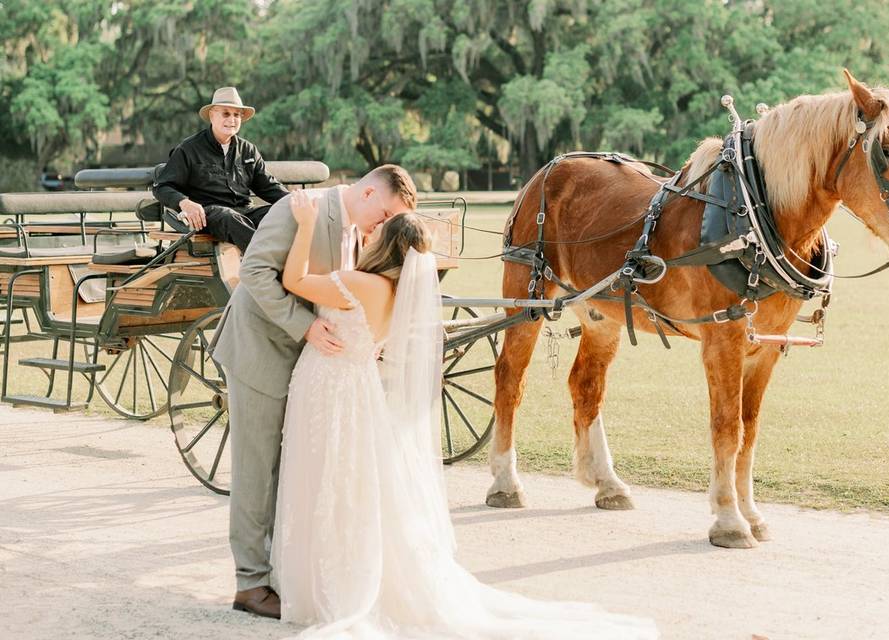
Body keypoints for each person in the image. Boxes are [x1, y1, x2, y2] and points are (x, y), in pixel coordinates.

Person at [269, 192, 659, 639]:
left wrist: (303, 223)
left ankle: (326, 579)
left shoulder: (359, 285)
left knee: (327, 481)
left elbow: (295, 279)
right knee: (351, 484)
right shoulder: (394, 292)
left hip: (332, 389)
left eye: (376, 231)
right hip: (357, 390)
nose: (369, 232)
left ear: (387, 245)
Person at [209, 164, 417, 620]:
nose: (382, 226)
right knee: (257, 469)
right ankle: (249, 583)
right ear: (366, 193)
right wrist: (306, 328)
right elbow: (257, 273)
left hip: (312, 371)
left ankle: (284, 572)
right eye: (382, 214)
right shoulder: (298, 210)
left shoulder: (361, 231)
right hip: (261, 351)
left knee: (292, 470)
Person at [152, 86, 289, 252]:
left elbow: (268, 186)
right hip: (208, 215)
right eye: (226, 113)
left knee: (283, 213)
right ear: (212, 116)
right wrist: (184, 203)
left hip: (245, 214)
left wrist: (296, 201)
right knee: (227, 216)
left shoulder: (248, 150)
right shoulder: (188, 149)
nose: (232, 119)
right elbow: (162, 187)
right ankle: (266, 259)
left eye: (236, 115)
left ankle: (300, 261)